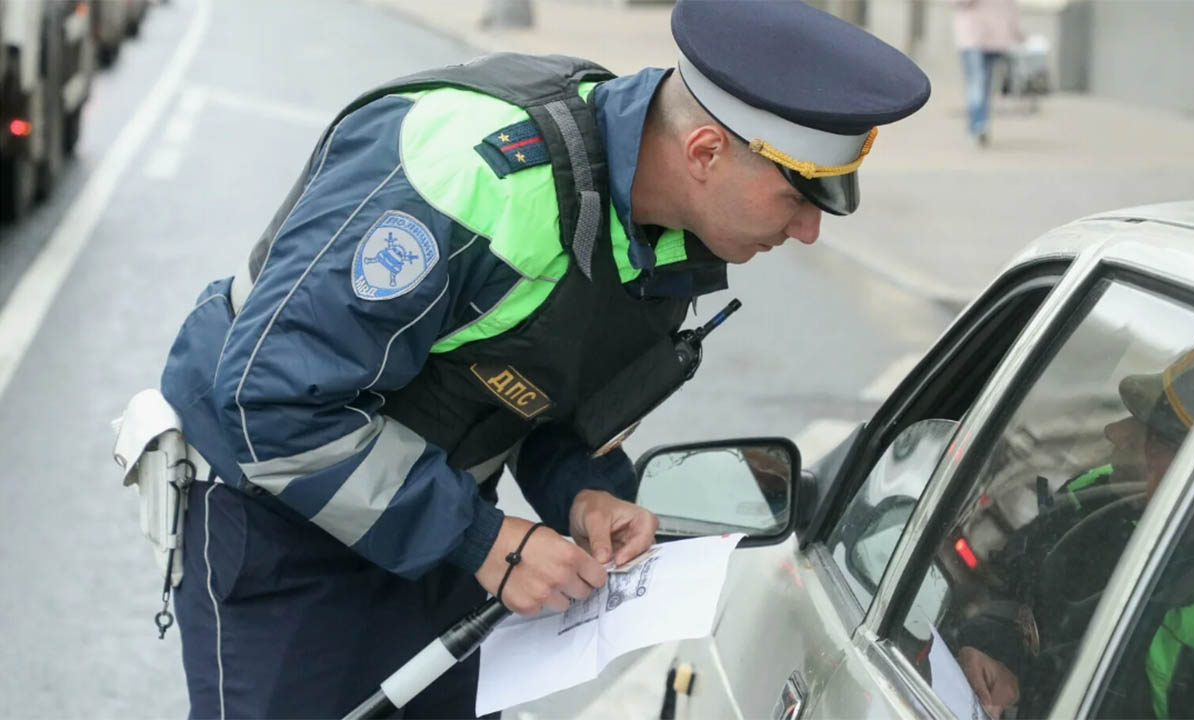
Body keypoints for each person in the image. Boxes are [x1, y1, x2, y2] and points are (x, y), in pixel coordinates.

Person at [154, 0, 931, 717]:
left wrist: (584, 494)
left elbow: (539, 391)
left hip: (441, 522)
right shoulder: (467, 175)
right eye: (798, 199)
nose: (807, 233)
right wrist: (486, 543)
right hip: (283, 524)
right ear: (704, 150)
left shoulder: (667, 224)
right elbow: (271, 401)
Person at [953, 338, 1194, 718]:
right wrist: (996, 662)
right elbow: (1016, 595)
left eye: (1151, 434)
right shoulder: (1098, 495)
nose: (1117, 432)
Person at [949, 0, 1024, 146]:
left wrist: (1017, 33)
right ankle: (978, 124)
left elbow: (1011, 7)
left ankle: (978, 123)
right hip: (972, 37)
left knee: (985, 84)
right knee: (978, 81)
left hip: (996, 39)